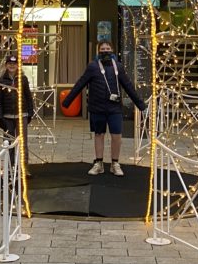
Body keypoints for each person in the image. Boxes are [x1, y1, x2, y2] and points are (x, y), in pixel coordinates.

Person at [61, 40, 146, 176]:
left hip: (114, 108)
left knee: (116, 136)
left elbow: (128, 86)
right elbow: (80, 83)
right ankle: (99, 163)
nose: (105, 51)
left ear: (112, 50)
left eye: (107, 48)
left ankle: (115, 163)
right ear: (98, 51)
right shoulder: (93, 66)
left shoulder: (118, 66)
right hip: (97, 108)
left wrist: (140, 104)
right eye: (102, 49)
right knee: (99, 135)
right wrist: (67, 101)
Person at [0, 55, 33, 175]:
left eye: (14, 63)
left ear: (18, 65)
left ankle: (24, 167)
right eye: (10, 64)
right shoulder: (1, 81)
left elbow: (28, 96)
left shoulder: (23, 79)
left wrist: (30, 112)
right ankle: (9, 167)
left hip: (22, 115)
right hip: (7, 117)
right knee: (8, 143)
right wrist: (0, 117)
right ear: (6, 65)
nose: (12, 66)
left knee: (23, 143)